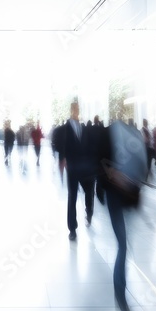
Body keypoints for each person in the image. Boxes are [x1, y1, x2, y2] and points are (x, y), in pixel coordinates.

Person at [98, 118, 147, 311]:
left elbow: (144, 165)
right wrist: (111, 174)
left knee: (125, 245)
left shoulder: (133, 135)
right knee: (123, 245)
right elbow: (100, 164)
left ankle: (121, 293)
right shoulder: (108, 135)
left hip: (129, 197)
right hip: (115, 196)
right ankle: (121, 294)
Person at [57, 100, 96, 240]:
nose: (76, 110)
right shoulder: (65, 128)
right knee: (72, 196)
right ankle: (72, 229)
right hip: (72, 167)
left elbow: (91, 146)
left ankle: (89, 211)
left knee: (89, 192)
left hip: (86, 168)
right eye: (74, 108)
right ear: (71, 109)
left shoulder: (84, 127)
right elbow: (61, 146)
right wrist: (63, 159)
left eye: (78, 108)